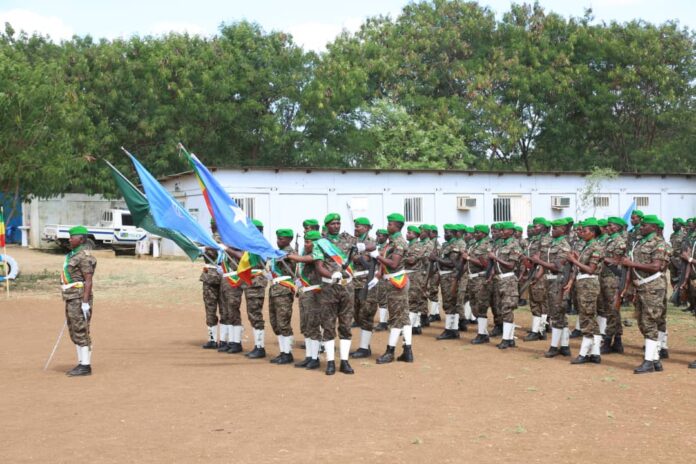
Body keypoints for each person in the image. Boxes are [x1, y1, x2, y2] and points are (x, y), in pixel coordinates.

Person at [621, 215, 670, 374]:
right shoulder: (639, 242)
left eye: (645, 225)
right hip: (641, 286)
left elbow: (656, 266)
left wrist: (631, 263)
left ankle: (649, 362)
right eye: (641, 225)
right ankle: (655, 359)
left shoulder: (658, 243)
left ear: (654, 227)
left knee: (649, 322)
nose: (641, 227)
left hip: (653, 286)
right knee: (642, 322)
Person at [314, 219, 356, 375]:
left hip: (347, 287)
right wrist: (332, 274)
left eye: (338, 223)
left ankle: (344, 362)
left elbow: (369, 246)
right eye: (333, 224)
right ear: (327, 225)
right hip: (329, 288)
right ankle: (330, 362)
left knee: (346, 324)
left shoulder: (349, 240)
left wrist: (364, 247)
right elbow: (319, 267)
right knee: (328, 325)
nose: (336, 226)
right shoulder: (320, 243)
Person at [371, 213, 414, 364]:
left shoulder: (399, 242)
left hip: (397, 282)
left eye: (390, 224)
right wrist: (378, 275)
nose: (387, 226)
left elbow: (393, 264)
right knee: (404, 316)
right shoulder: (393, 241)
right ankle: (407, 351)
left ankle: (390, 352)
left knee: (395, 318)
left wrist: (376, 255)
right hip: (393, 280)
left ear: (397, 226)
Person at [224, 219, 269, 359]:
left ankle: (260, 347)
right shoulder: (250, 243)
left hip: (256, 281)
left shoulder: (260, 243)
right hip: (247, 280)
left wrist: (227, 249)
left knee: (255, 313)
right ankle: (236, 343)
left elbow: (244, 258)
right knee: (245, 311)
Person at [531, 219, 572, 357]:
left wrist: (538, 261)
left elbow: (557, 267)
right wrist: (537, 277)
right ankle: (565, 346)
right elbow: (544, 265)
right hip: (549, 281)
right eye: (552, 227)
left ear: (564, 230)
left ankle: (555, 346)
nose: (553, 230)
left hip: (559, 281)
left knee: (558, 313)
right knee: (556, 313)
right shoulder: (549, 243)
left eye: (556, 228)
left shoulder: (564, 245)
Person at [565, 218, 603, 364]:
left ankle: (584, 353)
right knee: (589, 318)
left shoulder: (596, 247)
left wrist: (574, 260)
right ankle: (595, 353)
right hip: (582, 283)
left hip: (589, 283)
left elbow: (591, 269)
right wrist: (571, 281)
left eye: (585, 230)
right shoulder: (586, 246)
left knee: (587, 318)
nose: (582, 233)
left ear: (593, 232)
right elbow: (579, 268)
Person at [60, 225, 97, 377]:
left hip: (79, 297)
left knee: (81, 330)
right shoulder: (72, 255)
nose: (69, 239)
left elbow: (88, 280)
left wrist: (85, 302)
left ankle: (85, 366)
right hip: (71, 296)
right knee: (74, 330)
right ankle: (81, 362)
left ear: (81, 239)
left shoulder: (84, 257)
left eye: (72, 237)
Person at [287, 230, 324, 370]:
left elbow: (306, 260)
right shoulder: (306, 252)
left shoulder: (319, 253)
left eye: (308, 242)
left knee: (313, 326)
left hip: (315, 293)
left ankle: (315, 358)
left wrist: (291, 255)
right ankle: (309, 356)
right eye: (306, 241)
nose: (306, 244)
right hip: (305, 293)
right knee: (307, 326)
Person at [351, 217, 379, 358]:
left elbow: (367, 261)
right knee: (356, 315)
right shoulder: (354, 241)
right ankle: (364, 344)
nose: (356, 228)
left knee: (366, 314)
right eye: (355, 226)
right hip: (354, 281)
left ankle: (364, 348)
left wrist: (356, 257)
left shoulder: (372, 242)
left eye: (359, 227)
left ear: (367, 228)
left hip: (366, 281)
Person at [267, 229, 296, 365]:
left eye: (282, 239)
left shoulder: (290, 253)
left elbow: (287, 259)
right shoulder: (277, 253)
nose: (279, 241)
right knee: (275, 322)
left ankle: (287, 353)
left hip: (284, 290)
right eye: (278, 238)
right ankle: (282, 351)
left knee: (283, 322)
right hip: (275, 288)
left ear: (289, 239)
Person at [599, 217, 628, 354]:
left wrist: (602, 258)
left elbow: (617, 262)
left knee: (612, 310)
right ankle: (617, 342)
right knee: (610, 310)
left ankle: (608, 340)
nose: (607, 228)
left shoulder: (620, 242)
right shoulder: (607, 240)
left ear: (617, 227)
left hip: (614, 279)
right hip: (604, 278)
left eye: (610, 225)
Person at [431, 224, 462, 340]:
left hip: (451, 276)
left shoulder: (455, 245)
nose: (445, 234)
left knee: (450, 303)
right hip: (444, 276)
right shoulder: (445, 245)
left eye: (448, 232)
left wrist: (436, 258)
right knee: (448, 303)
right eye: (444, 232)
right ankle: (453, 329)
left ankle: (450, 329)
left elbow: (451, 263)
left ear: (454, 233)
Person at [524, 218, 552, 341]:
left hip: (539, 274)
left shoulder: (545, 240)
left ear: (545, 228)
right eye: (534, 226)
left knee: (540, 303)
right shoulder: (535, 240)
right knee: (535, 302)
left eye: (537, 226)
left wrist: (538, 276)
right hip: (533, 272)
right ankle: (539, 330)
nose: (534, 228)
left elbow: (543, 260)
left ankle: (539, 330)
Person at [467, 225, 493, 344]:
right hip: (472, 279)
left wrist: (468, 258)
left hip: (481, 278)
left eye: (478, 232)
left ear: (483, 233)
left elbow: (486, 264)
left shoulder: (486, 245)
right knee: (474, 306)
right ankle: (483, 332)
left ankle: (482, 334)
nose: (475, 234)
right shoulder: (474, 245)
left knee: (480, 307)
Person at [200, 219, 223, 349]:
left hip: (211, 276)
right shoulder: (228, 237)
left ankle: (213, 339)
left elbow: (214, 251)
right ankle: (226, 340)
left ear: (213, 226)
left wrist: (203, 248)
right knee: (224, 309)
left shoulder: (215, 238)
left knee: (211, 307)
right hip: (223, 276)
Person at [404, 225, 428, 335]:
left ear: (415, 235)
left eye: (409, 233)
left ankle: (410, 327)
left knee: (412, 301)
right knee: (410, 301)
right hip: (408, 275)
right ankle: (416, 325)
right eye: (407, 232)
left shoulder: (418, 246)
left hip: (414, 276)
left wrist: (398, 259)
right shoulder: (408, 245)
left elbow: (412, 260)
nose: (407, 234)